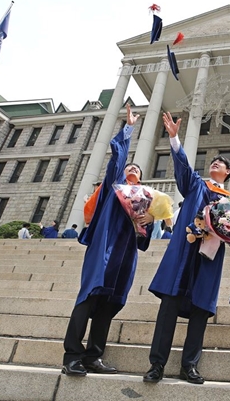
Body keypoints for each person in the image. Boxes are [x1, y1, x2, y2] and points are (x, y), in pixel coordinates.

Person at [143, 112, 230, 385]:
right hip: (185, 252)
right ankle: (156, 364)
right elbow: (183, 168)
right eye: (213, 161)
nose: (215, 163)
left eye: (221, 163)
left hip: (209, 258)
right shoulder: (197, 184)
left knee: (199, 311)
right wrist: (174, 138)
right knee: (169, 306)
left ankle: (190, 366)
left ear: (227, 172)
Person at [62, 104, 155, 376]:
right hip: (104, 247)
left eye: (138, 169)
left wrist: (148, 222)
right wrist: (128, 130)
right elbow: (117, 159)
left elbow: (143, 238)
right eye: (131, 166)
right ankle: (71, 356)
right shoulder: (114, 187)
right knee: (89, 297)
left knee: (109, 303)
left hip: (125, 254)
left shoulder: (142, 201)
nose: (133, 169)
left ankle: (93, 356)